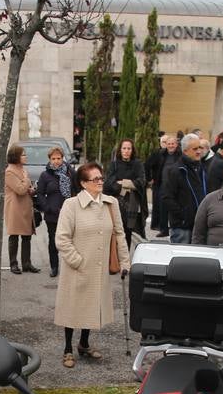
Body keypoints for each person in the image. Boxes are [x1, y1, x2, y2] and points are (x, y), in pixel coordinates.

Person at [54, 162, 130, 367]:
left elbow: (120, 234)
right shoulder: (71, 205)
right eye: (94, 179)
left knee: (92, 307)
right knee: (72, 309)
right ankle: (68, 348)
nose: (99, 182)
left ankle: (84, 344)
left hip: (98, 269)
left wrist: (125, 261)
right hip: (77, 268)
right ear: (83, 183)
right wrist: (77, 260)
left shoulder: (110, 203)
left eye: (100, 178)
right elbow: (61, 239)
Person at [161, 133, 210, 244]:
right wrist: (183, 216)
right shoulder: (176, 170)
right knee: (181, 258)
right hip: (182, 228)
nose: (199, 151)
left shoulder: (201, 168)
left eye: (200, 148)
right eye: (195, 149)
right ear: (185, 151)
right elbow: (166, 197)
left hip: (199, 226)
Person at [34, 146, 74, 277]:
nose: (56, 161)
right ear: (49, 160)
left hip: (70, 213)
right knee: (53, 241)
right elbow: (39, 194)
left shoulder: (70, 172)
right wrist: (47, 208)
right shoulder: (45, 175)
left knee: (70, 241)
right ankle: (54, 267)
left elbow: (77, 189)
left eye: (59, 158)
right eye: (53, 158)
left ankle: (71, 266)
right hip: (52, 214)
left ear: (63, 158)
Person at [2, 144, 40, 274]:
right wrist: (27, 181)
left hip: (25, 207)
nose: (25, 156)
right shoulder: (9, 172)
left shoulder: (23, 170)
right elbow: (19, 189)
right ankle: (13, 264)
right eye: (23, 154)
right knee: (14, 236)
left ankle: (27, 263)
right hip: (14, 208)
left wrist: (31, 189)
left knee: (27, 236)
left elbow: (25, 189)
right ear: (16, 156)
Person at [104, 137, 146, 246]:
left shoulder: (137, 164)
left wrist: (122, 183)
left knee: (127, 233)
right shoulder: (114, 164)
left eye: (129, 148)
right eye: (124, 148)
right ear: (120, 150)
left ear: (132, 150)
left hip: (132, 204)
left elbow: (141, 182)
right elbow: (108, 184)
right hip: (116, 203)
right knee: (115, 232)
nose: (126, 151)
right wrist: (129, 185)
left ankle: (125, 259)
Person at [146, 132, 178, 237]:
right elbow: (147, 165)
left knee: (174, 208)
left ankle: (175, 228)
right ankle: (164, 230)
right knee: (163, 209)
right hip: (162, 185)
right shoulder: (160, 154)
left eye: (172, 144)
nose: (170, 146)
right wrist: (150, 179)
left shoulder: (181, 155)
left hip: (176, 187)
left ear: (176, 144)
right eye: (168, 144)